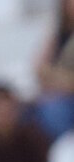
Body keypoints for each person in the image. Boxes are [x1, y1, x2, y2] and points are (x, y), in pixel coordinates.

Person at [33, 0, 74, 140]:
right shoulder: (58, 34)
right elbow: (39, 69)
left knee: (54, 112)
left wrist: (54, 78)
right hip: (53, 96)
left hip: (63, 102)